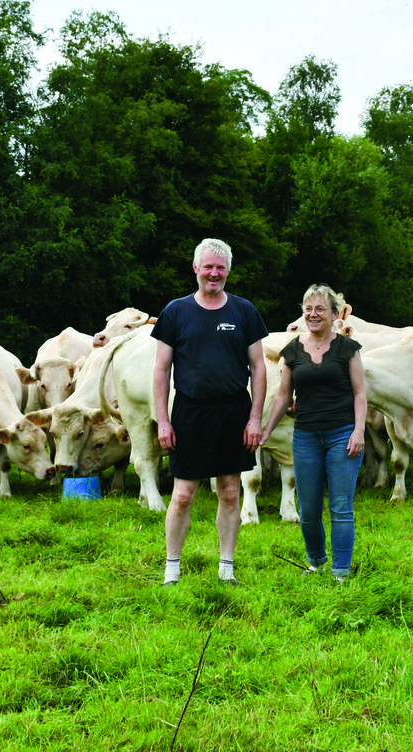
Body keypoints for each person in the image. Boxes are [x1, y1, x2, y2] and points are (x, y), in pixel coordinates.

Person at [152, 238, 269, 587]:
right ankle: (172, 568)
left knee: (230, 491)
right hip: (189, 412)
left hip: (234, 411)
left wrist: (254, 418)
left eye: (220, 268)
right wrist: (163, 420)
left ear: (228, 272)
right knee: (183, 494)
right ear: (196, 269)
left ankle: (226, 567)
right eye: (208, 267)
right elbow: (161, 370)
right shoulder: (175, 312)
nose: (213, 274)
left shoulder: (244, 311)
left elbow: (259, 368)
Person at [262, 285, 366, 582]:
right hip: (305, 436)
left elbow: (360, 394)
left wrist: (358, 431)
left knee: (341, 506)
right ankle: (317, 561)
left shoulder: (348, 349)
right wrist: (267, 429)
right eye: (308, 309)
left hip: (342, 434)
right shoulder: (293, 350)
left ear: (335, 314)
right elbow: (283, 396)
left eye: (320, 309)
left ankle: (341, 572)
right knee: (307, 509)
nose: (313, 314)